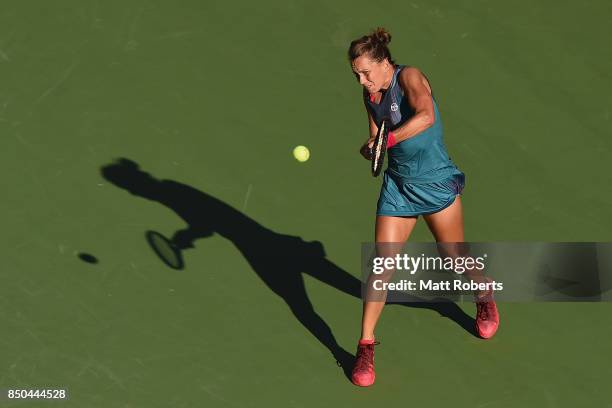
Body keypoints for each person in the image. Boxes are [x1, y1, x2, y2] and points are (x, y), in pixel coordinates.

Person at [348, 27, 500, 387]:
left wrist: (391, 138)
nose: (362, 81)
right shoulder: (371, 96)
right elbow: (376, 140)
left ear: (385, 63)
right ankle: (365, 346)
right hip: (398, 188)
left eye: (367, 73)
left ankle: (483, 291)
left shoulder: (410, 76)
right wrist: (371, 149)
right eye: (356, 75)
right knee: (382, 266)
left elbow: (427, 116)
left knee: (454, 258)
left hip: (435, 183)